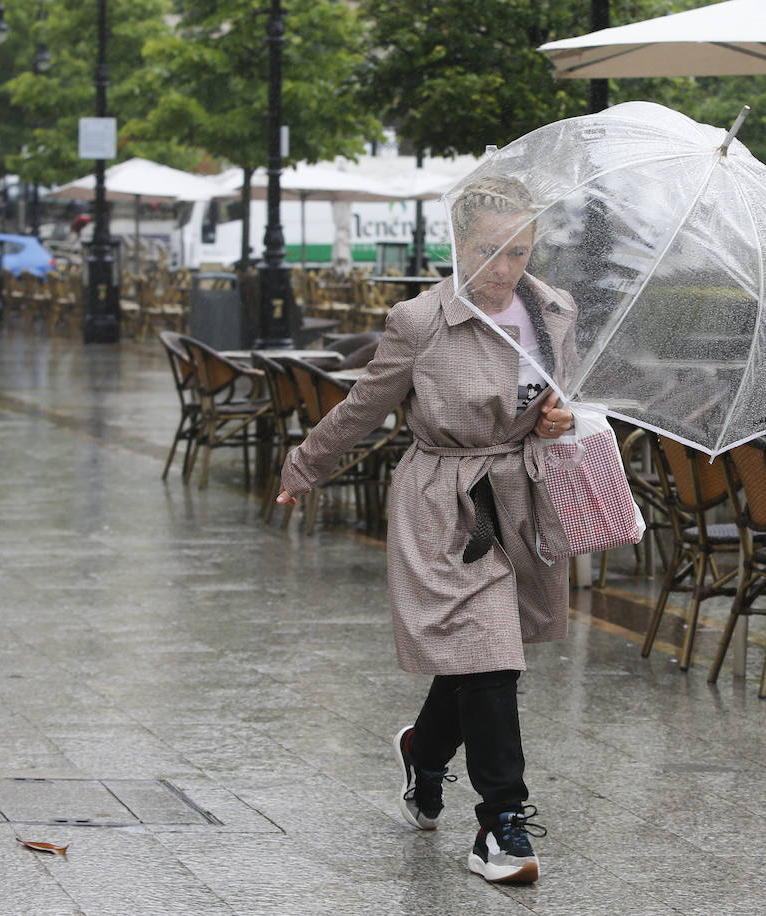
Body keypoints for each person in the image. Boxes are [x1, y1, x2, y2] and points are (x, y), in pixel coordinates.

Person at [275, 175, 576, 885]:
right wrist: (302, 466)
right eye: (487, 250)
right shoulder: (421, 321)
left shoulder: (555, 309)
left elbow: (563, 399)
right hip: (447, 504)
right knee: (492, 657)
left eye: (519, 251)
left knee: (479, 655)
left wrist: (560, 416)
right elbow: (363, 405)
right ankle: (501, 823)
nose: (503, 268)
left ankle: (424, 751)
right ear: (456, 242)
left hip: (522, 494)